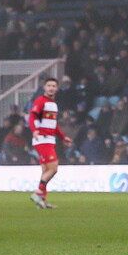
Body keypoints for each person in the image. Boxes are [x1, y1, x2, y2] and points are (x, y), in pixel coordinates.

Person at [27, 79, 73, 209]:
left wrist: (63, 137)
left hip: (49, 139)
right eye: (49, 86)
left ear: (57, 88)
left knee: (46, 170)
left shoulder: (53, 104)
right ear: (44, 87)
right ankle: (37, 193)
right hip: (42, 139)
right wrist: (35, 130)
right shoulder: (40, 101)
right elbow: (32, 117)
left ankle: (41, 202)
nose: (51, 88)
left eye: (54, 86)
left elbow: (54, 124)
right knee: (53, 168)